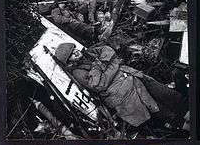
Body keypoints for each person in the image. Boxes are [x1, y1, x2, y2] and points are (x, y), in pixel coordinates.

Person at [54, 43, 183, 128]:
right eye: (71, 54)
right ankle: (183, 126)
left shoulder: (91, 52)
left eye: (74, 49)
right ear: (69, 61)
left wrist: (103, 67)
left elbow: (108, 50)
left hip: (133, 75)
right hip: (123, 92)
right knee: (158, 109)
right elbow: (98, 85)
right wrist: (106, 64)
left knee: (166, 94)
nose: (75, 52)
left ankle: (187, 110)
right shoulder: (78, 72)